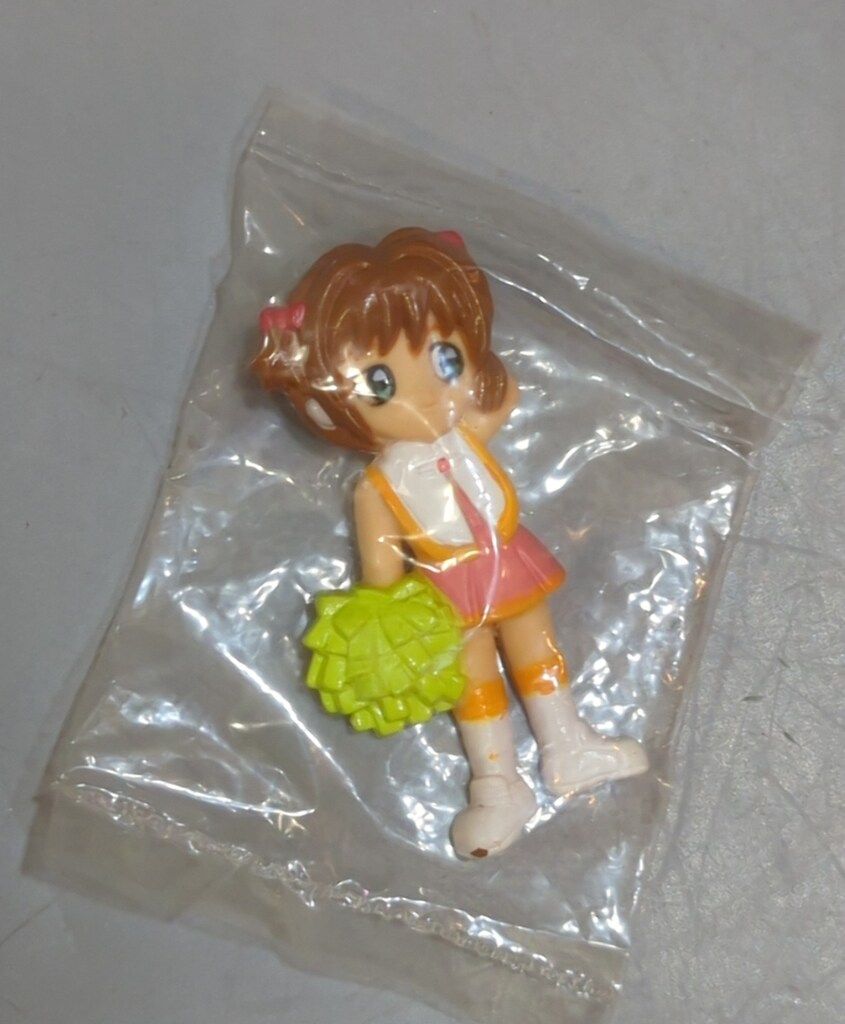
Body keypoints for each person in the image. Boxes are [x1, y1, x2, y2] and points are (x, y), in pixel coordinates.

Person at [252, 227, 647, 858]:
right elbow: (380, 569)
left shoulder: (465, 436)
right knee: (473, 681)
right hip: (442, 594)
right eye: (381, 384)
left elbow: (502, 398)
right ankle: (496, 785)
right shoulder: (378, 485)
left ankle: (567, 744)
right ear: (332, 405)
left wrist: (481, 373)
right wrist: (390, 621)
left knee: (537, 650)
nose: (427, 395)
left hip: (506, 560)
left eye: (445, 361)